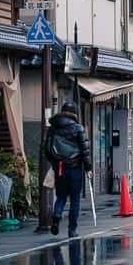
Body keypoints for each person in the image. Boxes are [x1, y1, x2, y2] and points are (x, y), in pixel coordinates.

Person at [44, 101, 92, 238]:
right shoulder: (78, 128)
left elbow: (47, 148)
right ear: (75, 113)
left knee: (61, 196)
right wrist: (88, 167)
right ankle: (72, 230)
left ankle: (57, 215)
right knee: (75, 199)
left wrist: (55, 163)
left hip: (60, 168)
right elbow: (85, 150)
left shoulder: (53, 128)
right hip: (75, 168)